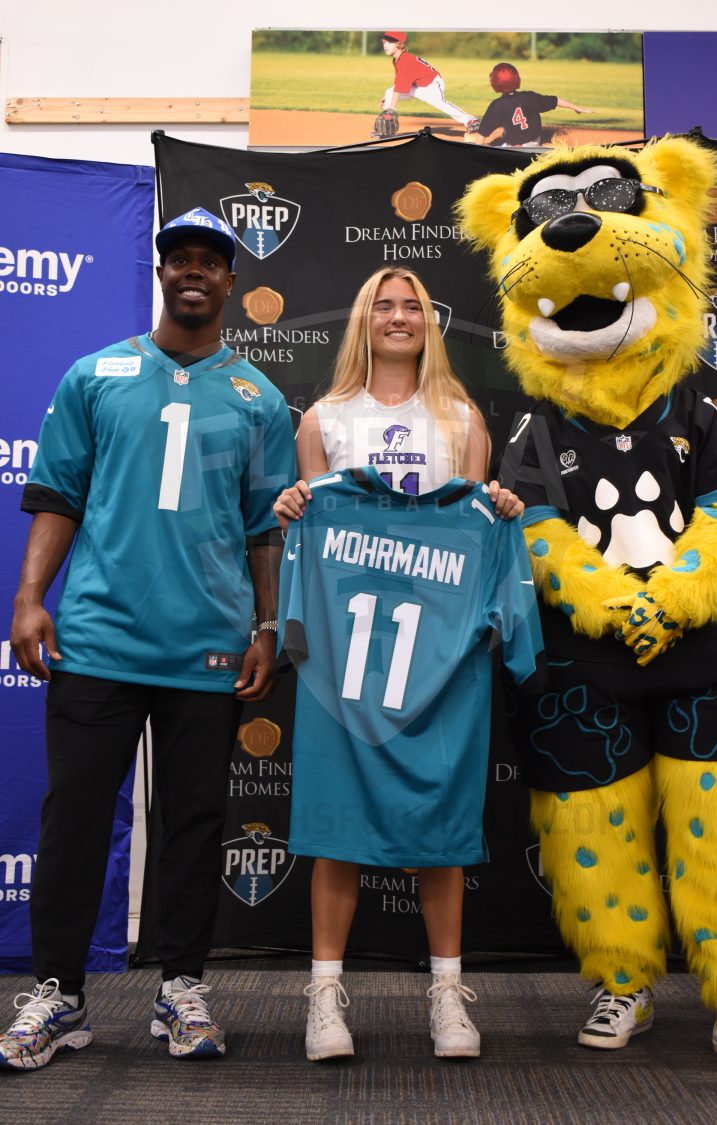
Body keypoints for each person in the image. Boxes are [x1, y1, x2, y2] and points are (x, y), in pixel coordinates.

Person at [0, 208, 295, 1070]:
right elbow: (56, 495)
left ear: (230, 281)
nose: (194, 271)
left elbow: (264, 530)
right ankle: (58, 992)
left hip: (206, 646)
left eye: (211, 260)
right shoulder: (96, 375)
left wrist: (266, 626)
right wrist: (28, 597)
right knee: (76, 821)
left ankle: (182, 988)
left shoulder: (260, 399)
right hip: (96, 637)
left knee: (196, 824)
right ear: (161, 274)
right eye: (180, 259)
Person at [274, 266, 529, 1063]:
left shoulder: (459, 417)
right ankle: (324, 997)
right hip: (347, 653)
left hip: (439, 645)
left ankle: (447, 995)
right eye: (382, 306)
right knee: (336, 822)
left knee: (443, 819)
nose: (397, 316)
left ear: (429, 323)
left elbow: (480, 524)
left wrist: (503, 512)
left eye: (410, 306)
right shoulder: (323, 418)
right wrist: (292, 508)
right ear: (362, 320)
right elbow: (307, 534)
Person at [378, 32, 479, 135]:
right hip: (418, 85)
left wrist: (390, 109)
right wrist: (388, 98)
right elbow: (398, 81)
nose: (385, 45)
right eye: (384, 42)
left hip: (432, 84)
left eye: (389, 42)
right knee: (389, 93)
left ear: (399, 44)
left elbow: (400, 87)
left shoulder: (405, 60)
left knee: (440, 103)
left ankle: (470, 120)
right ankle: (387, 129)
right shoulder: (397, 59)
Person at [473, 62, 592, 148]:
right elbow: (555, 100)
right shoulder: (529, 97)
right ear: (517, 79)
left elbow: (482, 134)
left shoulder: (496, 105)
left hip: (511, 148)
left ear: (495, 84)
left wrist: (474, 150)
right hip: (533, 145)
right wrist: (575, 107)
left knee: (497, 142)